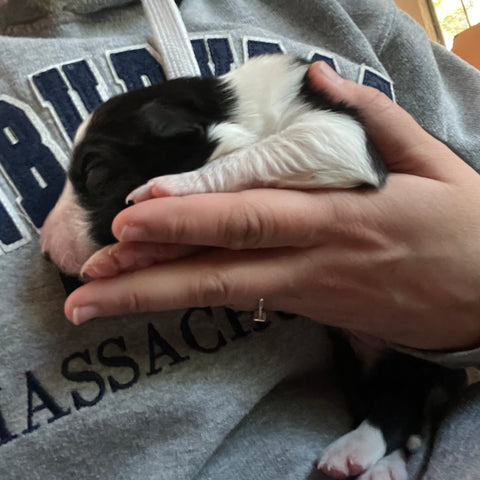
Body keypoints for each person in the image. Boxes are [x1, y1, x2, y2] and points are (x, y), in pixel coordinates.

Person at [0, 1, 479, 479]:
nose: (51, 235)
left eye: (98, 176)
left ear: (190, 134)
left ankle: (391, 431)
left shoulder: (332, 26)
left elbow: (347, 152)